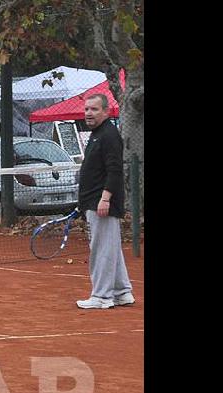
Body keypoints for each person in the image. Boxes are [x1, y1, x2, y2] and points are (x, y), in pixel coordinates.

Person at [76, 94, 133, 309]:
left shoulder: (109, 135)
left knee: (101, 249)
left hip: (102, 203)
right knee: (110, 247)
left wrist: (105, 199)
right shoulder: (97, 134)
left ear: (106, 112)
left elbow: (115, 170)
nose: (89, 113)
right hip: (93, 202)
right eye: (87, 109)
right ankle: (122, 292)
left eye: (94, 109)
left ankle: (101, 296)